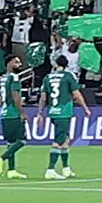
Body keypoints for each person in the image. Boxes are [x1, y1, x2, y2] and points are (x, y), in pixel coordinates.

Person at [42, 50, 83, 179]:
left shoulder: (47, 77)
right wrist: (85, 108)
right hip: (64, 112)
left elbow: (43, 97)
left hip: (53, 111)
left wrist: (39, 112)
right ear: (66, 64)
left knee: (65, 139)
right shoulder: (68, 76)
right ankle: (50, 169)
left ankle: (66, 168)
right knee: (59, 141)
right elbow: (76, 94)